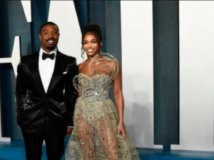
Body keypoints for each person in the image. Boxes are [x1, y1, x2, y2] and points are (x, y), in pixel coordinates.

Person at [65, 23, 140, 160]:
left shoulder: (112, 64)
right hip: (82, 113)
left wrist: (120, 121)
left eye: (93, 42)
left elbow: (117, 93)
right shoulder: (79, 67)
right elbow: (79, 94)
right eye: (85, 43)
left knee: (113, 154)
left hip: (104, 113)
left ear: (100, 43)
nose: (89, 46)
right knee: (88, 155)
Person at [15, 22, 78, 160]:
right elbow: (20, 92)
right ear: (40, 36)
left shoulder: (70, 62)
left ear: (58, 35)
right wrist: (21, 115)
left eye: (54, 32)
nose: (51, 36)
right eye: (46, 33)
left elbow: (71, 95)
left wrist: (70, 122)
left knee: (55, 157)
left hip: (57, 119)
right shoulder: (25, 61)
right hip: (31, 120)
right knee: (32, 157)